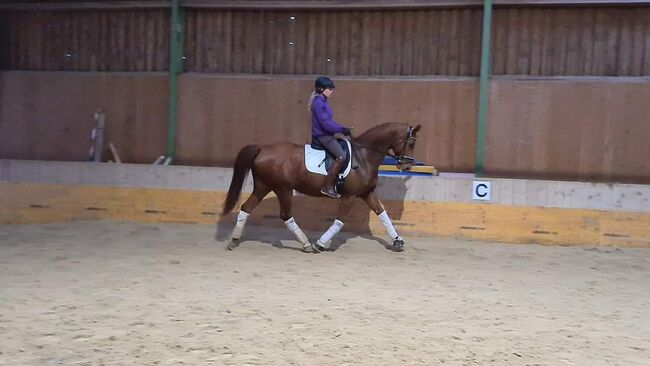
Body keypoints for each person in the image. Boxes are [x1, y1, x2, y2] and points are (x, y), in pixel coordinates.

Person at [308, 76, 351, 198]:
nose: (331, 91)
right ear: (321, 89)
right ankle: (327, 187)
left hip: (327, 134)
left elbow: (329, 122)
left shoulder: (323, 102)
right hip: (322, 135)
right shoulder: (318, 102)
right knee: (341, 156)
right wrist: (341, 129)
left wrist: (342, 128)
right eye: (329, 89)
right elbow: (325, 123)